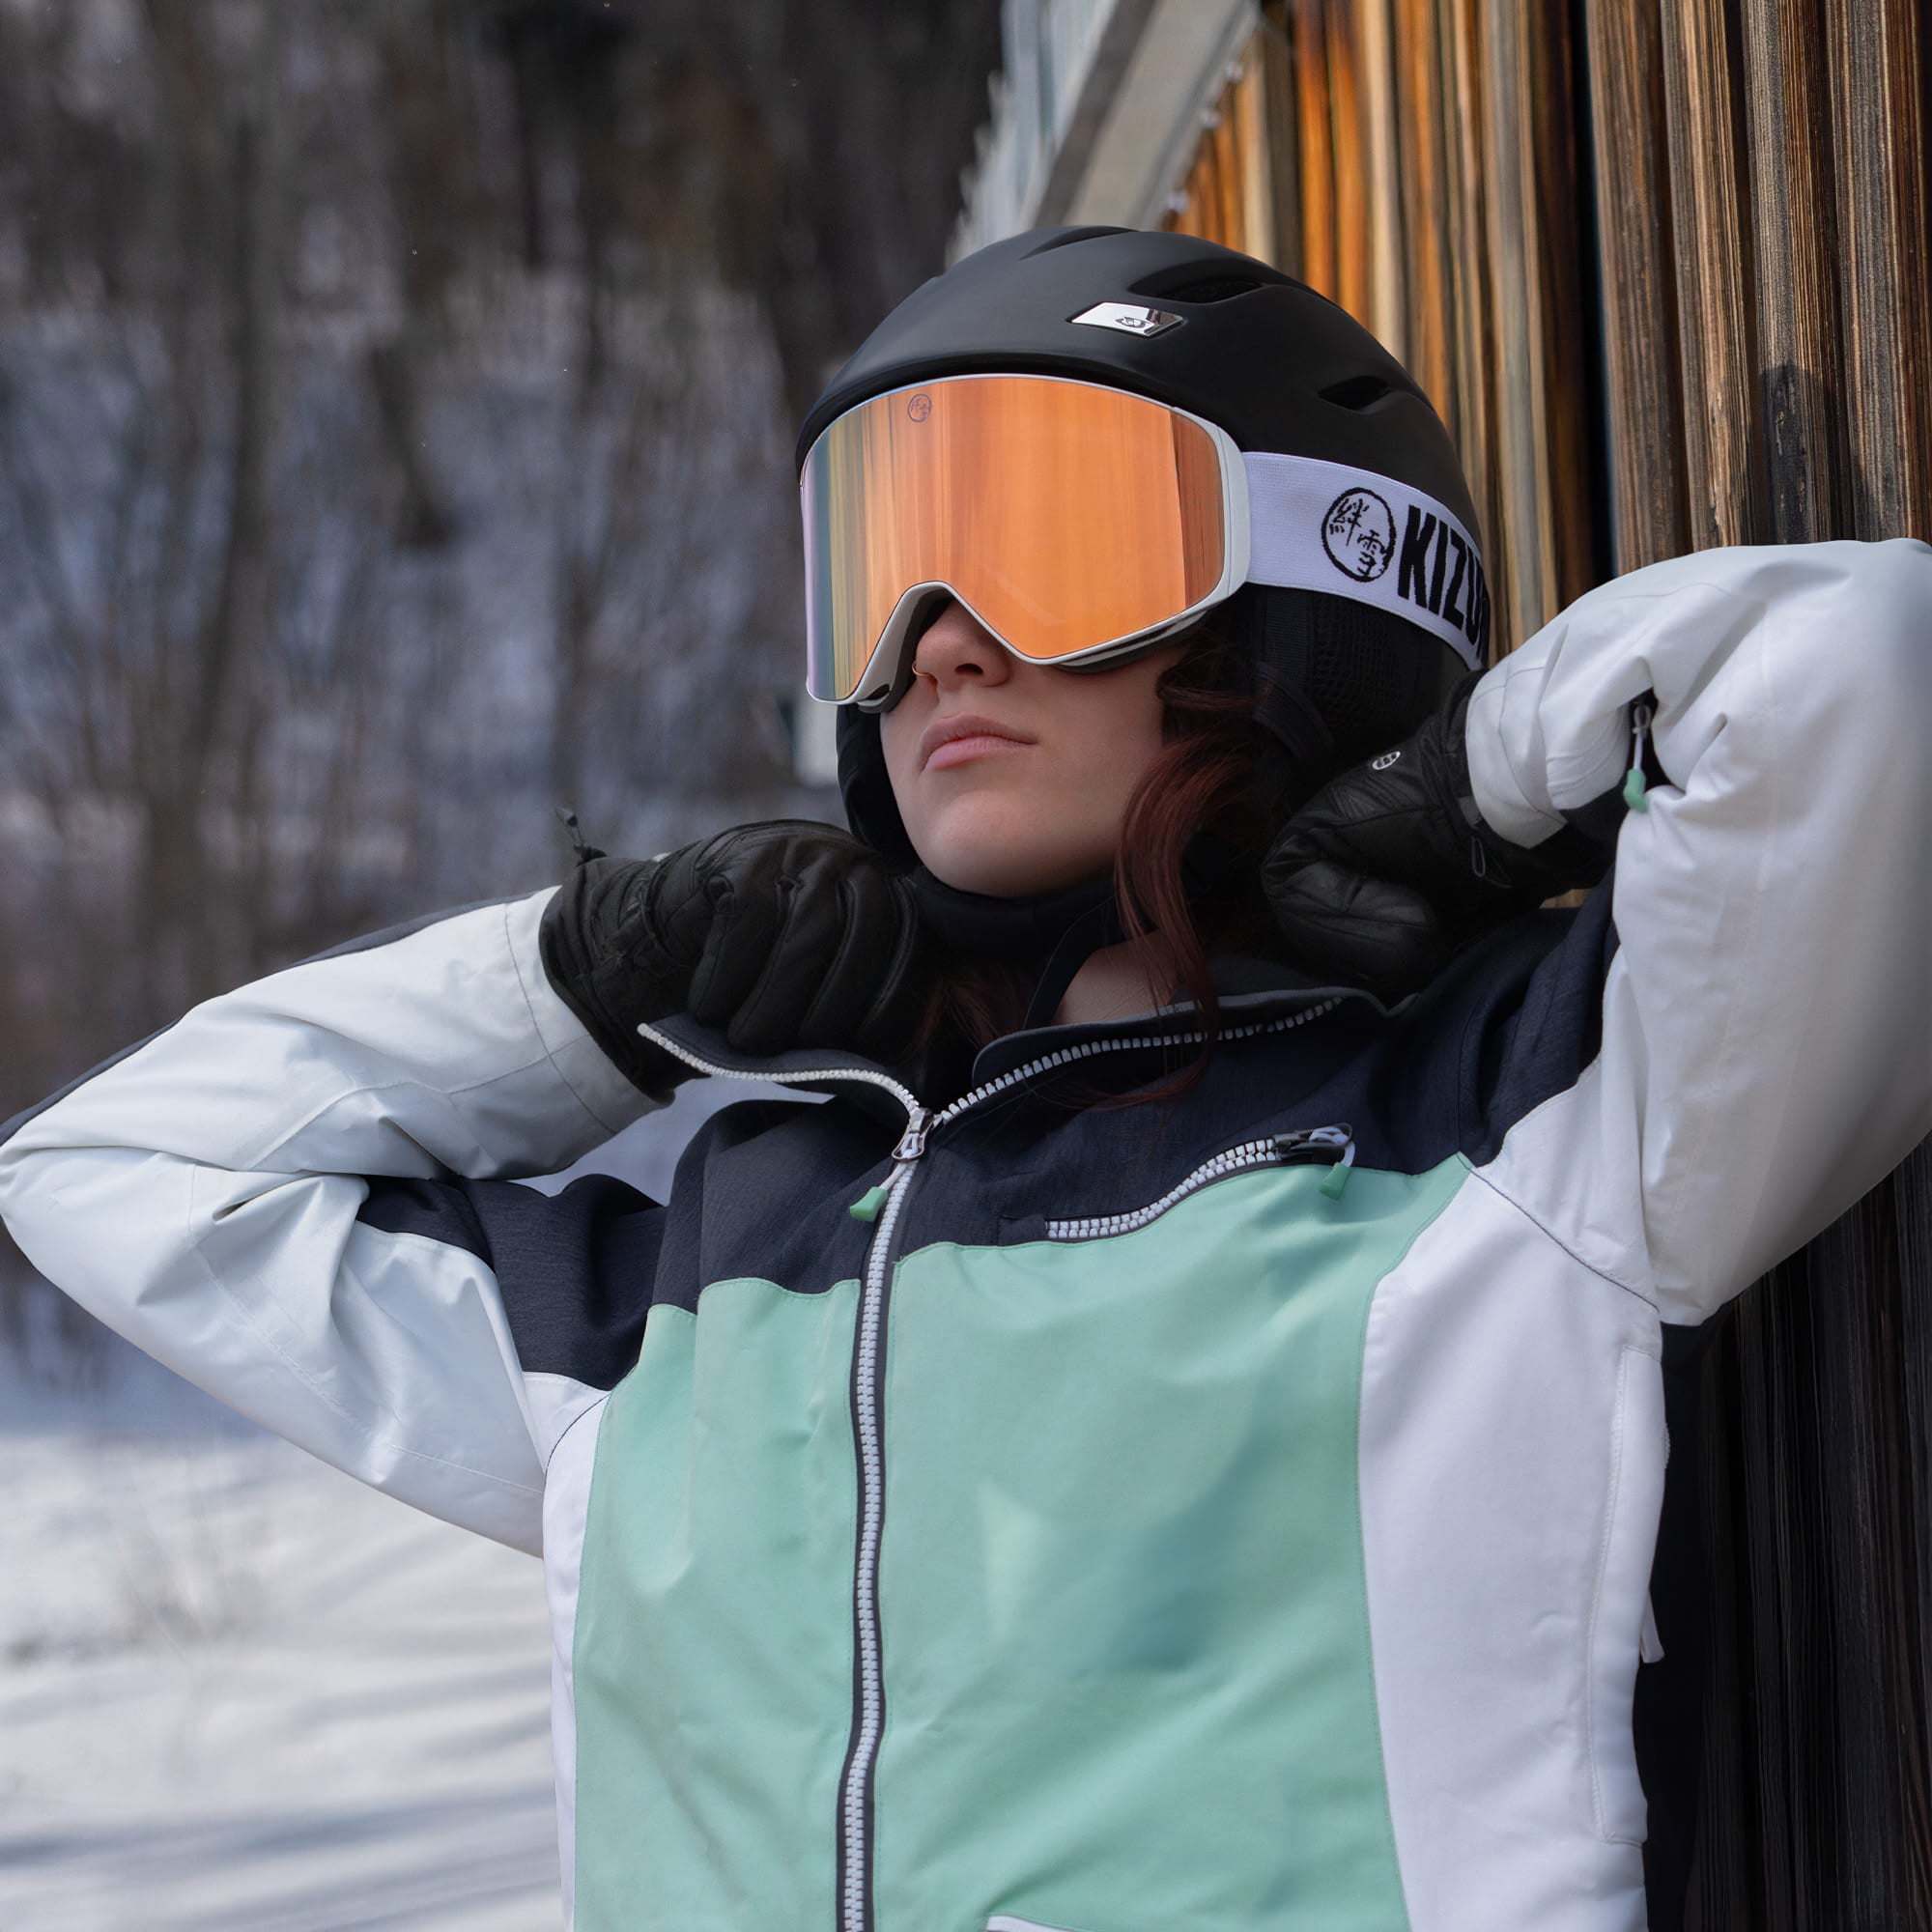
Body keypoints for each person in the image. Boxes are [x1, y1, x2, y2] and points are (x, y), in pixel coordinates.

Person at [2, 226, 1928, 1932]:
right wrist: (602, 974)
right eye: (886, 564)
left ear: (1311, 599)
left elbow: (1867, 669)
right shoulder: (726, 1272)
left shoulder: (1516, 1135)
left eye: (1058, 544)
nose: (935, 643)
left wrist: (1471, 798)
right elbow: (130, 1169)